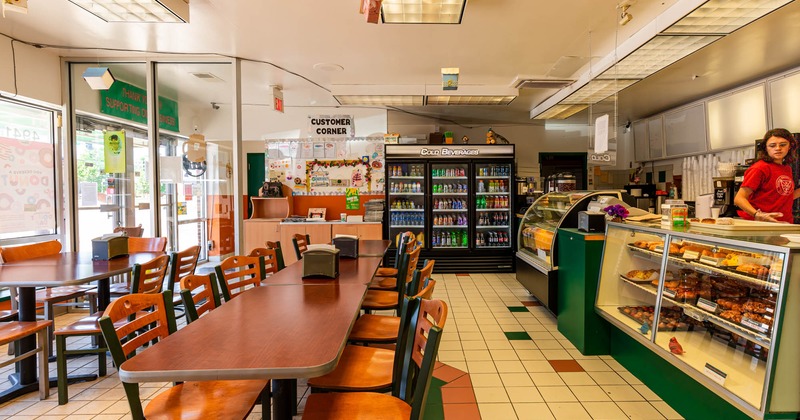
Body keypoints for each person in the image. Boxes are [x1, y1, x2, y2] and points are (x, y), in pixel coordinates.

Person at [733, 128, 800, 223]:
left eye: (783, 145)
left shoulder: (786, 168)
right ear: (766, 148)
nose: (778, 148)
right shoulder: (760, 168)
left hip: (784, 223)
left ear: (789, 147)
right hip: (761, 225)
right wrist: (758, 215)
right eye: (772, 145)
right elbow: (739, 198)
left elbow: (784, 197)